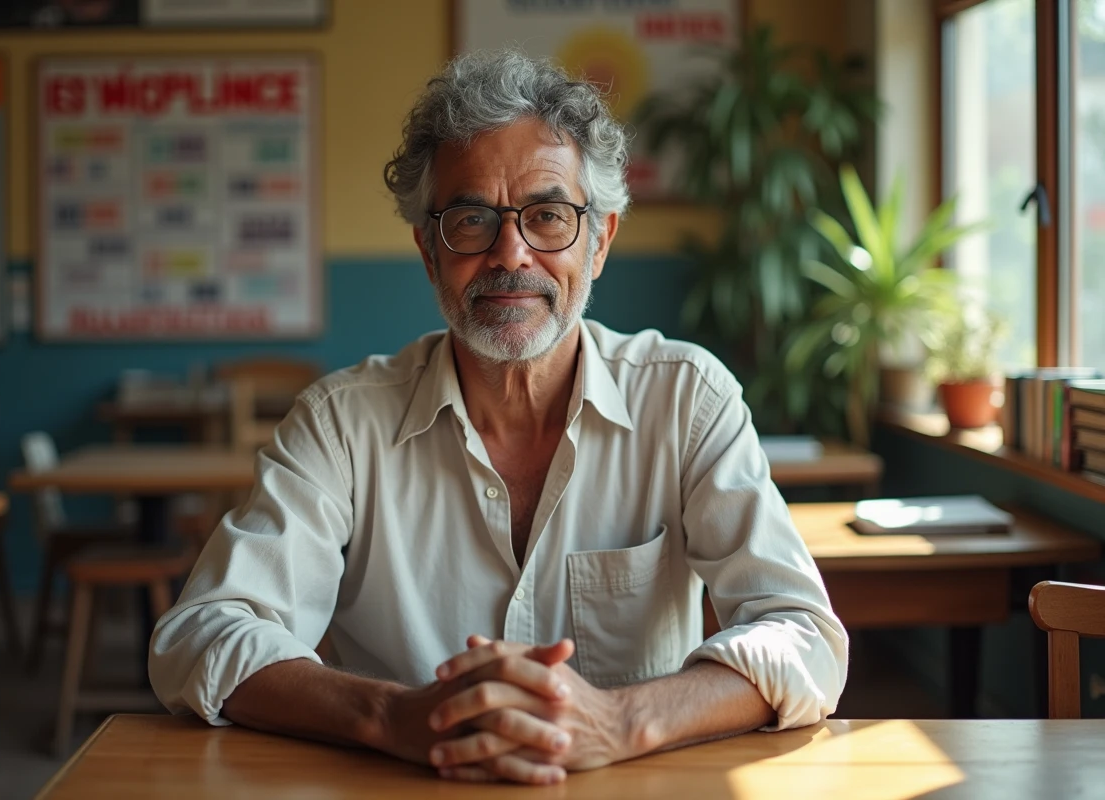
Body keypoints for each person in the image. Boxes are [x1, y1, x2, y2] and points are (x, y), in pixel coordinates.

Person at [149, 49, 846, 786]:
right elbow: (201, 635)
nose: (510, 254)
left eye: (548, 216)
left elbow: (802, 635)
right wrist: (392, 717)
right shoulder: (340, 424)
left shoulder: (687, 401)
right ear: (427, 249)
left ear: (600, 241)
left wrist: (621, 722)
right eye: (471, 219)